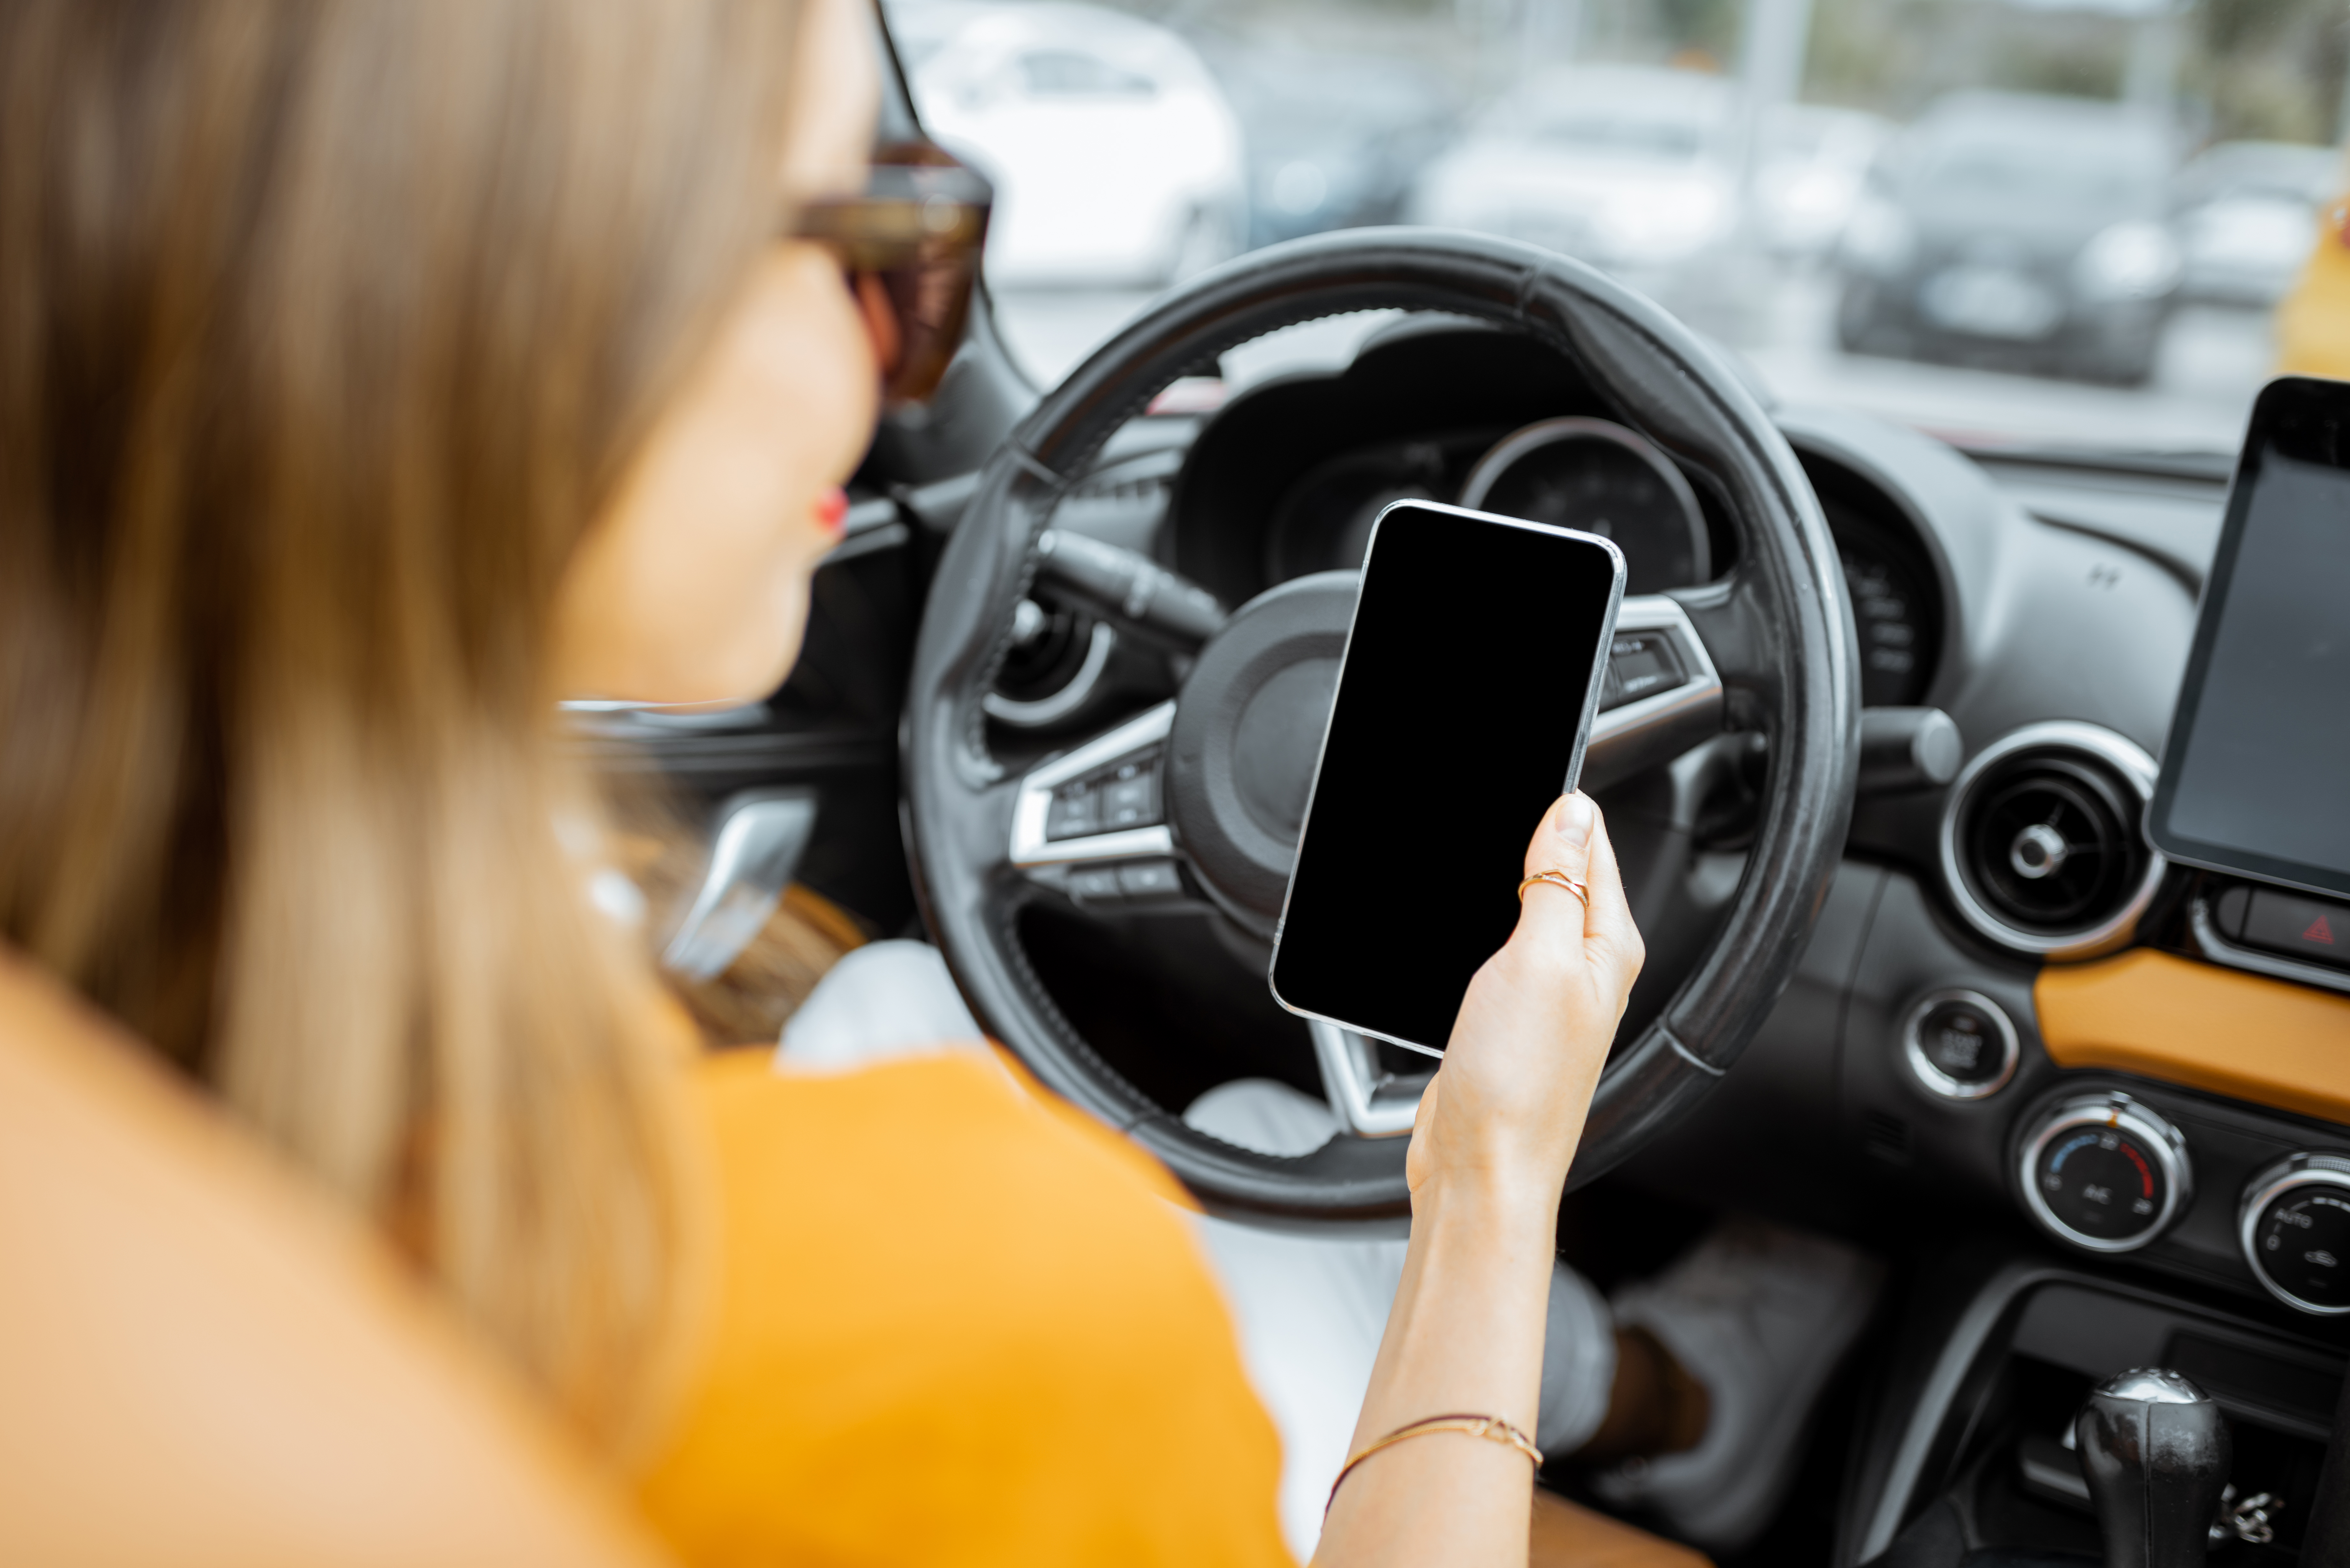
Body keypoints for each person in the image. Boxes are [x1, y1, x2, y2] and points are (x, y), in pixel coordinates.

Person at [0, 0, 1871, 1562]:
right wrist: (1486, 1171)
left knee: (922, 998)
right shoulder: (971, 1306)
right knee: (1322, 1179)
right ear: (520, 317)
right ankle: (1683, 1403)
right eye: (874, 236)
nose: (914, 358)